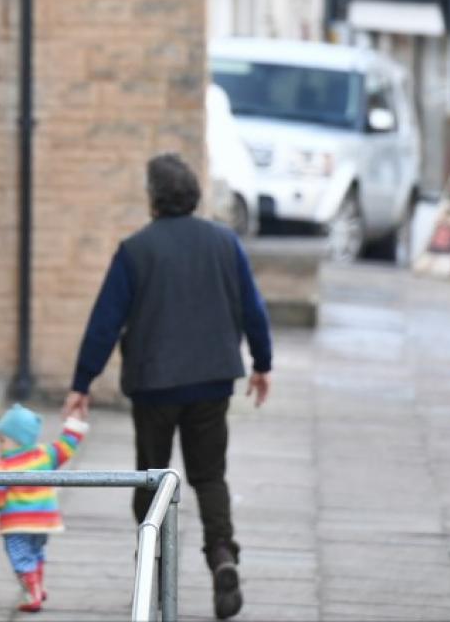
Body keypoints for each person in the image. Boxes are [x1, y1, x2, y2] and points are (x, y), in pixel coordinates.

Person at [62, 153, 272, 621]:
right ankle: (221, 555)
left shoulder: (136, 250)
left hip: (154, 383)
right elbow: (253, 309)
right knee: (209, 475)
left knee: (152, 473)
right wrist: (262, 363)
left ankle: (151, 569)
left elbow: (105, 323)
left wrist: (82, 382)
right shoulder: (225, 242)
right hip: (213, 379)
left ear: (153, 198)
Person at [0, 404, 90, 613]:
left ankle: (32, 594)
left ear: (17, 440)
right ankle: (38, 586)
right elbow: (67, 447)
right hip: (44, 522)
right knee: (36, 552)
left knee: (20, 557)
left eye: (2, 440)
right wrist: (74, 423)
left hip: (16, 524)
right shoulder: (45, 454)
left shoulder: (4, 466)